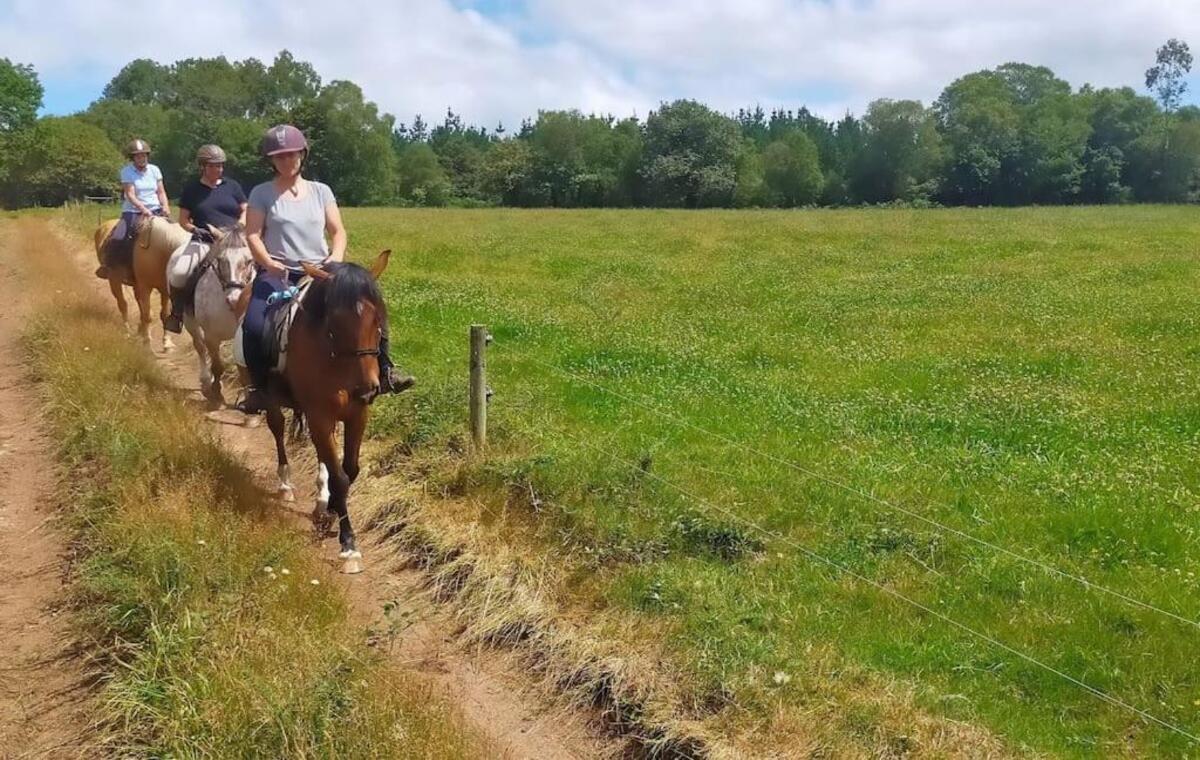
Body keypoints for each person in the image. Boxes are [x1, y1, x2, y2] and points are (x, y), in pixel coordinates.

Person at [237, 124, 413, 413]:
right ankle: (259, 389)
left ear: (302, 154)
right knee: (255, 324)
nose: (287, 160)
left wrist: (335, 258)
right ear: (271, 160)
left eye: (292, 154)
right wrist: (268, 262)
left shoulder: (321, 191)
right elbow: (253, 234)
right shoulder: (261, 193)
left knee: (370, 311)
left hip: (321, 273)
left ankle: (385, 370)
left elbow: (337, 230)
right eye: (280, 156)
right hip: (279, 273)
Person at [163, 144, 248, 333]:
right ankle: (177, 314)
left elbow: (245, 209)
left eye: (220, 165)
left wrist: (241, 224)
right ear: (202, 166)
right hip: (205, 240)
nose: (218, 169)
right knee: (179, 272)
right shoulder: (192, 189)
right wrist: (196, 230)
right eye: (213, 166)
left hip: (234, 241)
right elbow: (183, 220)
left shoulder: (232, 186)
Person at [96, 138, 169, 278]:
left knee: (172, 235)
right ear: (133, 158)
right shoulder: (127, 172)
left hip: (156, 209)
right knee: (119, 236)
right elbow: (130, 194)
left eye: (144, 155)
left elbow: (161, 191)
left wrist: (165, 206)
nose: (142, 158)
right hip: (133, 211)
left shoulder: (155, 170)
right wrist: (143, 209)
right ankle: (109, 265)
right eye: (138, 156)